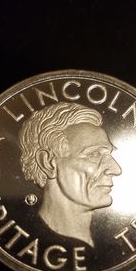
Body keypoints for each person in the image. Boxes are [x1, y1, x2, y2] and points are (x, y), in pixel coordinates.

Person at [19, 102, 121, 247]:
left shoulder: (110, 245)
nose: (116, 169)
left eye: (108, 154)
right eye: (94, 154)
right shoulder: (25, 243)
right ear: (48, 163)